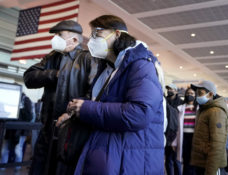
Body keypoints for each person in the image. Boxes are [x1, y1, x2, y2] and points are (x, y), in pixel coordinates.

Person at [57, 15, 165, 175]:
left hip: (129, 157)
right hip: (110, 152)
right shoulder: (110, 68)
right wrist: (77, 109)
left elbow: (139, 113)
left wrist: (86, 109)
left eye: (97, 34)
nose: (92, 40)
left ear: (117, 34)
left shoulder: (141, 64)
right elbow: (107, 101)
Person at [23, 20, 99, 175]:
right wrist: (55, 74)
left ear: (75, 40)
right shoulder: (51, 58)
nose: (55, 38)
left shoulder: (87, 59)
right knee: (39, 168)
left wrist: (71, 114)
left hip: (72, 132)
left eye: (59, 35)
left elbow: (93, 94)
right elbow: (29, 77)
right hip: (47, 130)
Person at [190, 80, 228, 175]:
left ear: (210, 94)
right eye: (197, 93)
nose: (197, 96)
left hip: (210, 165)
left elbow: (217, 144)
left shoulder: (216, 112)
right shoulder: (204, 110)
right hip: (202, 163)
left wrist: (211, 171)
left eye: (200, 93)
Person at [1, 92, 33, 171]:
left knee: (17, 150)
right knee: (4, 149)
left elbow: (30, 116)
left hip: (20, 130)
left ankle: (17, 169)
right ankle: (2, 167)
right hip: (10, 129)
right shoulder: (10, 100)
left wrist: (20, 109)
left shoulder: (25, 100)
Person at [177, 88, 197, 175]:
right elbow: (177, 126)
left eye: (192, 93)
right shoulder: (180, 108)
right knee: (186, 159)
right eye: (188, 93)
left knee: (194, 159)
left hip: (194, 137)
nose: (190, 95)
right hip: (184, 136)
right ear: (185, 95)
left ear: (195, 95)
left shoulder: (198, 108)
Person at [165, 83, 183, 175]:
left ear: (176, 91)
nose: (169, 91)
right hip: (167, 134)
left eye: (171, 89)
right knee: (168, 160)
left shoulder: (181, 103)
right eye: (168, 89)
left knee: (177, 160)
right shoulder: (165, 101)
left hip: (177, 134)